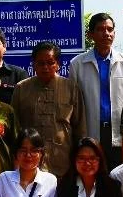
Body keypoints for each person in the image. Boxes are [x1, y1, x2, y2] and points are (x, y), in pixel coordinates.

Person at [69, 13, 123, 169]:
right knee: (94, 174)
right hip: (91, 130)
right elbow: (74, 105)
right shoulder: (77, 64)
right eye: (100, 29)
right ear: (90, 34)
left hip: (121, 131)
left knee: (120, 175)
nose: (106, 33)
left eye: (110, 29)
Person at [11, 41, 85, 179]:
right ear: (33, 65)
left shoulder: (71, 88)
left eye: (50, 63)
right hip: (29, 164)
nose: (45, 67)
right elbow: (14, 128)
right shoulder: (21, 88)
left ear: (58, 64)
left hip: (62, 162)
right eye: (40, 63)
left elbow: (80, 127)